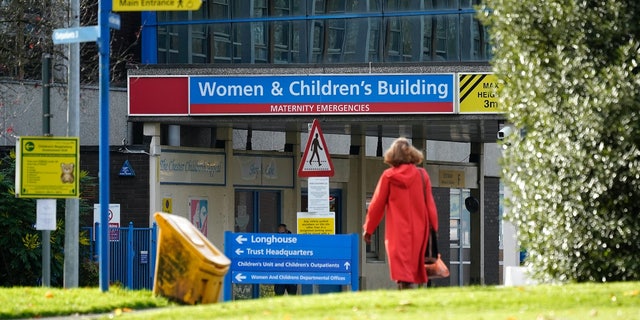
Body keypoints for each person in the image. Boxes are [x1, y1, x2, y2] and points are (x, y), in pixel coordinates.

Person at [362, 137, 439, 289]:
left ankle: (404, 289)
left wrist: (369, 229)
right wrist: (433, 229)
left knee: (401, 266)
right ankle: (409, 290)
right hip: (420, 229)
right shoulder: (422, 176)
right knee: (414, 264)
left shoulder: (389, 176)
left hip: (397, 230)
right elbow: (430, 205)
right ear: (412, 155)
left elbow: (376, 205)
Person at [274, 223, 298, 296]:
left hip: (291, 273)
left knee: (292, 296)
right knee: (278, 295)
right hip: (279, 274)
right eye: (279, 233)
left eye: (283, 233)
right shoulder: (275, 243)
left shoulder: (293, 242)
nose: (281, 235)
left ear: (287, 232)